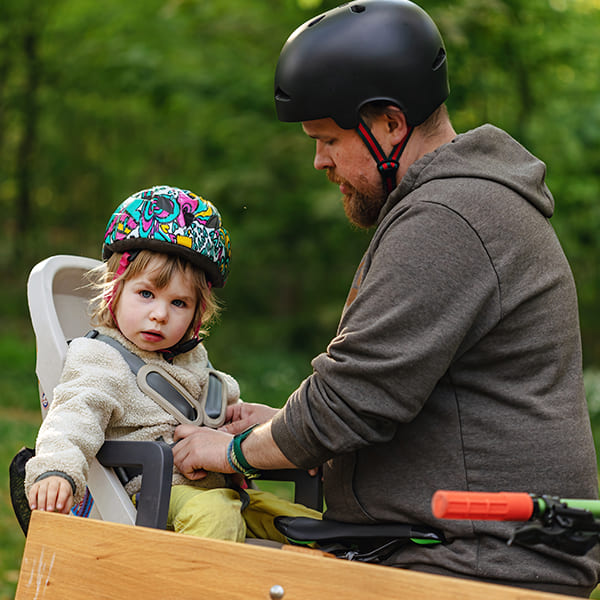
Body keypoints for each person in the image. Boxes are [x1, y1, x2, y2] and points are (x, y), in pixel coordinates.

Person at [172, 1, 600, 595]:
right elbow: (391, 404)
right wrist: (282, 430)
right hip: (462, 551)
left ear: (389, 125)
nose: (320, 161)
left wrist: (233, 451)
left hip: (481, 569)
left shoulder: (449, 218)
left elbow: (351, 401)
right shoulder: (466, 205)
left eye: (327, 139)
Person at [25, 184, 320, 543]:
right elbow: (73, 417)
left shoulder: (192, 360)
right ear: (114, 290)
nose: (160, 314)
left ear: (198, 314)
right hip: (156, 495)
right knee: (214, 516)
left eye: (179, 303)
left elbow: (213, 416)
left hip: (223, 492)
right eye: (146, 294)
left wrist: (249, 428)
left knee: (309, 527)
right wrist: (56, 470)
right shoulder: (101, 358)